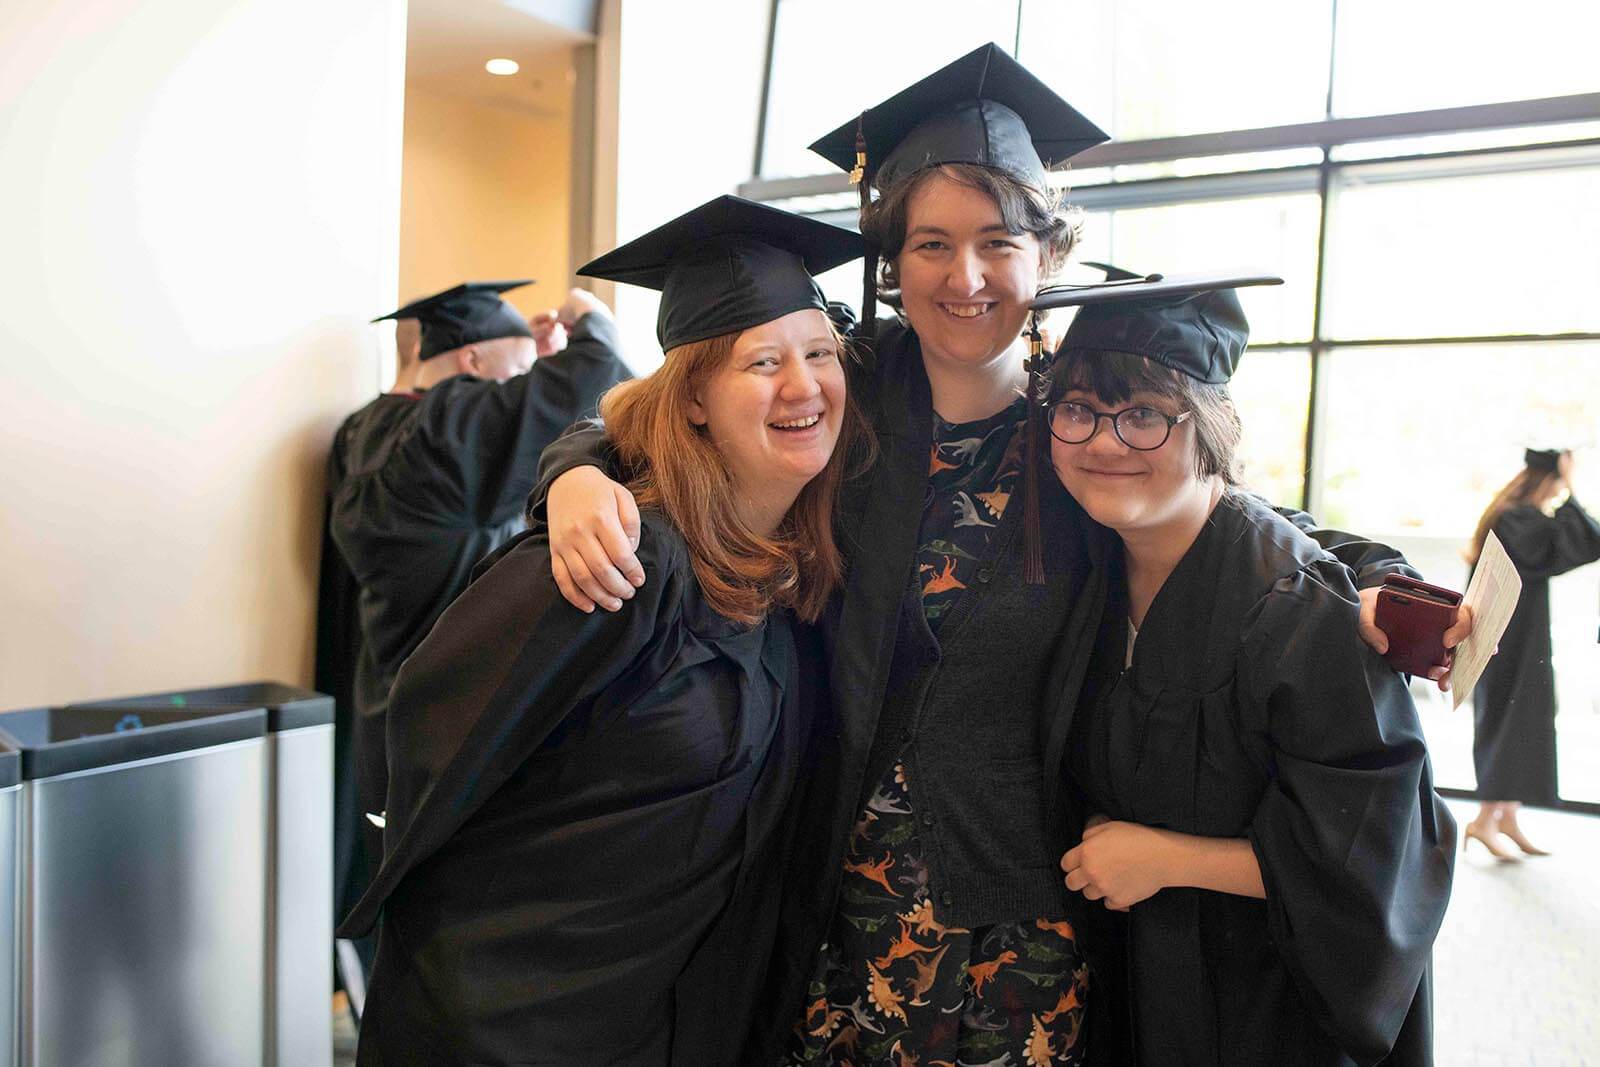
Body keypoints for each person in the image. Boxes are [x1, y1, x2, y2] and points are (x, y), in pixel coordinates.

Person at [529, 47, 1447, 1065]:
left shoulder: (1086, 430)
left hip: (1030, 907)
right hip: (831, 871)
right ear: (892, 260)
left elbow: (1235, 510)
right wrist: (572, 475)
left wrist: (1370, 580)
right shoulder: (842, 399)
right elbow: (664, 417)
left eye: (996, 241)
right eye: (929, 243)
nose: (963, 278)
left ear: (1044, 256)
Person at [336, 196, 867, 1066]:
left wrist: (574, 462)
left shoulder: (783, 571)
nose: (803, 384)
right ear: (693, 399)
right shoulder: (618, 561)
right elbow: (438, 736)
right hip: (518, 1020)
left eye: (818, 353)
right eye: (762, 361)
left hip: (663, 1014)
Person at [1042, 271, 1455, 1065]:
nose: (1104, 440)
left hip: (1271, 1007)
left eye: (1144, 415)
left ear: (1210, 428)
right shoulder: (1088, 565)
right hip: (1141, 985)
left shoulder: (1299, 610)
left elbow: (1377, 856)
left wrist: (1164, 857)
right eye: (1079, 409)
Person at [315, 279, 630, 992]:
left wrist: (532, 355)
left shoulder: (358, 433)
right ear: (472, 366)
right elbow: (597, 383)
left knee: (401, 920)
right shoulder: (440, 429)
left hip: (381, 704)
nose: (521, 388)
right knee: (458, 942)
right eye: (513, 370)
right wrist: (591, 319)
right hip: (456, 717)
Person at [1464, 447, 1600, 858]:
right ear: (1547, 482)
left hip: (1517, 635)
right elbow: (1589, 538)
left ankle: (1506, 817)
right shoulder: (1518, 519)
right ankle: (1484, 821)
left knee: (1522, 717)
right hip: (1508, 639)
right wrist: (1572, 487)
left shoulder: (1514, 516)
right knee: (1512, 717)